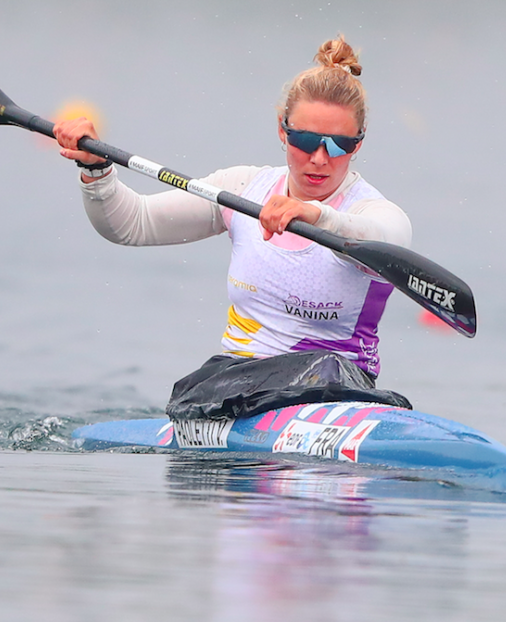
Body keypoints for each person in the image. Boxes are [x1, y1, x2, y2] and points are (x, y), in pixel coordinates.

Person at [54, 36, 413, 419]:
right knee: (194, 385)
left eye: (339, 145)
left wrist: (316, 215)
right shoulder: (244, 190)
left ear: (357, 145)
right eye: (305, 141)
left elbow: (391, 240)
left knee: (325, 369)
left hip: (334, 386)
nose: (320, 159)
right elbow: (131, 225)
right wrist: (96, 170)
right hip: (236, 379)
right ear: (282, 130)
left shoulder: (370, 210)